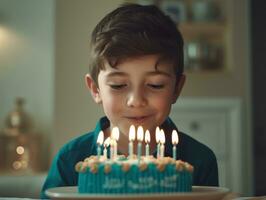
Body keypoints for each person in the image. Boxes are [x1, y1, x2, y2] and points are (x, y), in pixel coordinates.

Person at [41, 3, 218, 199]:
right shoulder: (70, 159)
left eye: (156, 84)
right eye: (118, 85)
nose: (136, 101)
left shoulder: (199, 160)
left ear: (177, 88)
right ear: (95, 89)